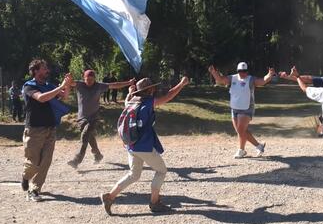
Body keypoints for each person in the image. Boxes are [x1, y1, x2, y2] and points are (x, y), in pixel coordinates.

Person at [100, 76, 190, 215]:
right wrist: (182, 84)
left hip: (131, 145)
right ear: (150, 90)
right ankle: (154, 203)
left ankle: (110, 197)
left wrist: (131, 91)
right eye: (153, 87)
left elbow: (127, 99)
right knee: (161, 171)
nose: (155, 89)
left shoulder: (131, 101)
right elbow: (169, 95)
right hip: (143, 146)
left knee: (134, 174)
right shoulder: (148, 102)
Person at [21, 59, 73, 202]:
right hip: (34, 130)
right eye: (44, 68)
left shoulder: (48, 85)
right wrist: (60, 86)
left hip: (50, 128)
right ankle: (26, 176)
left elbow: (64, 96)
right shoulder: (29, 87)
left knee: (46, 161)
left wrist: (66, 86)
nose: (47, 71)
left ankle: (34, 190)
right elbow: (42, 98)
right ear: (36, 71)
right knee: (33, 162)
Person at [67, 70, 134, 169]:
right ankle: (98, 155)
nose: (89, 81)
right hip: (81, 118)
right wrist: (68, 78)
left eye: (91, 79)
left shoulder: (99, 86)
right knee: (90, 137)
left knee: (85, 135)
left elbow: (114, 85)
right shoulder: (79, 85)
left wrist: (128, 83)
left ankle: (77, 160)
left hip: (93, 118)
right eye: (87, 79)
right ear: (84, 78)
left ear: (94, 79)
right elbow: (70, 82)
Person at [208, 62, 276, 158]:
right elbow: (220, 80)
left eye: (244, 71)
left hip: (247, 108)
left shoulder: (251, 79)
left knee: (240, 130)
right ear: (237, 71)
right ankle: (259, 146)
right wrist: (213, 72)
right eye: (240, 71)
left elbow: (262, 81)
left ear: (247, 71)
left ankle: (241, 150)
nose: (242, 73)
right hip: (234, 108)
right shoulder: (232, 78)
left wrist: (269, 74)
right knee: (241, 131)